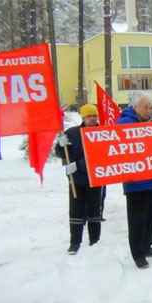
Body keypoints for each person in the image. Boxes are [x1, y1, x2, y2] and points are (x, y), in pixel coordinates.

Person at [116, 92, 152, 269]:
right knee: (138, 220)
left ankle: (147, 246)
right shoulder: (124, 124)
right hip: (136, 183)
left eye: (150, 107)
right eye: (146, 107)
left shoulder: (147, 125)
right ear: (135, 107)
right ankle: (138, 254)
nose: (148, 111)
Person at [55, 104, 103, 254]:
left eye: (94, 115)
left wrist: (79, 165)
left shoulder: (102, 133)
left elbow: (100, 156)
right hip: (76, 180)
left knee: (94, 211)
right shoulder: (72, 133)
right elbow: (63, 154)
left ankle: (95, 241)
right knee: (75, 211)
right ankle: (74, 242)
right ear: (83, 117)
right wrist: (60, 146)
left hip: (95, 178)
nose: (92, 118)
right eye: (89, 116)